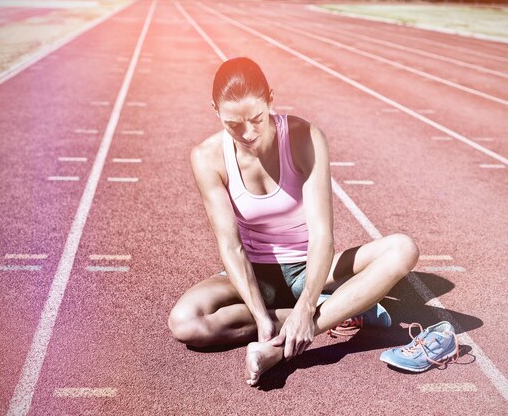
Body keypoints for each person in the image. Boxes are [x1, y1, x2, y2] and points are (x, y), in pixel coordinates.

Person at [168, 57, 419, 387]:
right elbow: (231, 246)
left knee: (402, 249)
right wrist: (261, 317)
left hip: (307, 268)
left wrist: (306, 308)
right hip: (253, 276)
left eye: (257, 118)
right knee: (184, 323)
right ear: (215, 110)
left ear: (271, 99)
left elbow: (321, 237)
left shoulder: (305, 137)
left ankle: (300, 329)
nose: (247, 133)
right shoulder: (206, 156)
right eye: (233, 124)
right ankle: (341, 309)